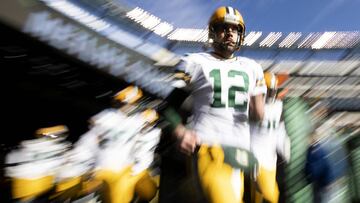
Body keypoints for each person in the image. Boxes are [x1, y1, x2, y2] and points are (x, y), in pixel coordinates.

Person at [160, 6, 267, 203]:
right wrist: (181, 131)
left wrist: (258, 111)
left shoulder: (253, 68)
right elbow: (168, 107)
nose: (230, 33)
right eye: (223, 28)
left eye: (235, 29)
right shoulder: (195, 62)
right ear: (213, 32)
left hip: (242, 152)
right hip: (210, 146)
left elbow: (258, 114)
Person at [250, 72, 291, 203]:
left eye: (272, 91)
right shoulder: (250, 106)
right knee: (269, 195)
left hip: (270, 158)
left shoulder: (278, 106)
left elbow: (280, 130)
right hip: (255, 155)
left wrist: (284, 145)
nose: (270, 95)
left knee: (264, 195)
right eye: (268, 91)